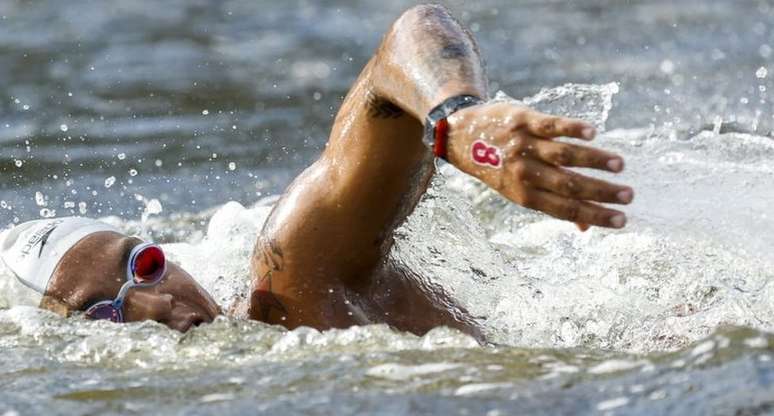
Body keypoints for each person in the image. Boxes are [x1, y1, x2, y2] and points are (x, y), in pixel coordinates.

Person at [0, 5, 632, 340]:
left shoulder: (293, 278)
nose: (156, 303)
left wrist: (458, 120)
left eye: (143, 264)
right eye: (102, 315)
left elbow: (408, 35)